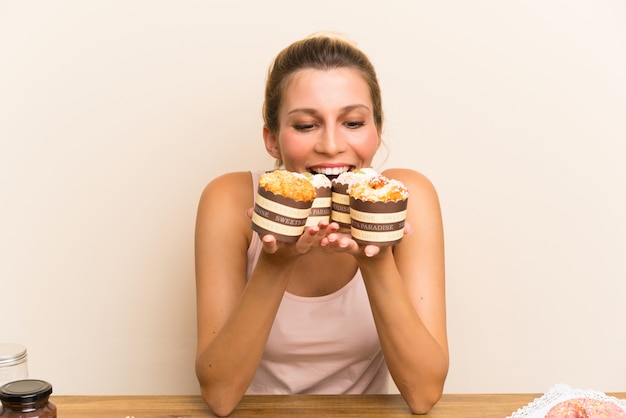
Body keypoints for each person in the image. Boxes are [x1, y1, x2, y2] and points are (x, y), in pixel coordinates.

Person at [194, 32, 448, 417]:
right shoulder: (230, 200)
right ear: (272, 141)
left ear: (376, 131)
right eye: (305, 126)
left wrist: (375, 260)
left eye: (352, 122)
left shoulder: (405, 198)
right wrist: (275, 264)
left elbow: (424, 394)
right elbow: (220, 396)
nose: (331, 145)